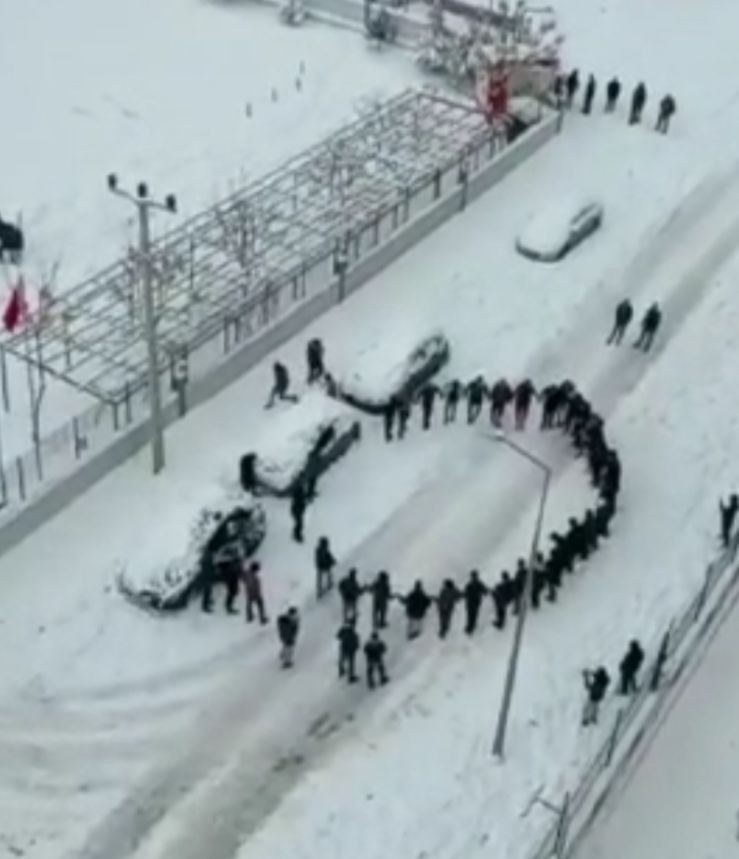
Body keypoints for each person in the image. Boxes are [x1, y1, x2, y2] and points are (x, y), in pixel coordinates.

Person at [464, 570, 488, 634]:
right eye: (473, 576)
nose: (473, 577)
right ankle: (470, 627)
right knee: (472, 615)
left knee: (472, 615)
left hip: (473, 602)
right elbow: (485, 591)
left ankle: (470, 628)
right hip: (472, 602)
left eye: (473, 576)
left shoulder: (473, 584)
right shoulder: (472, 584)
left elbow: (485, 591)